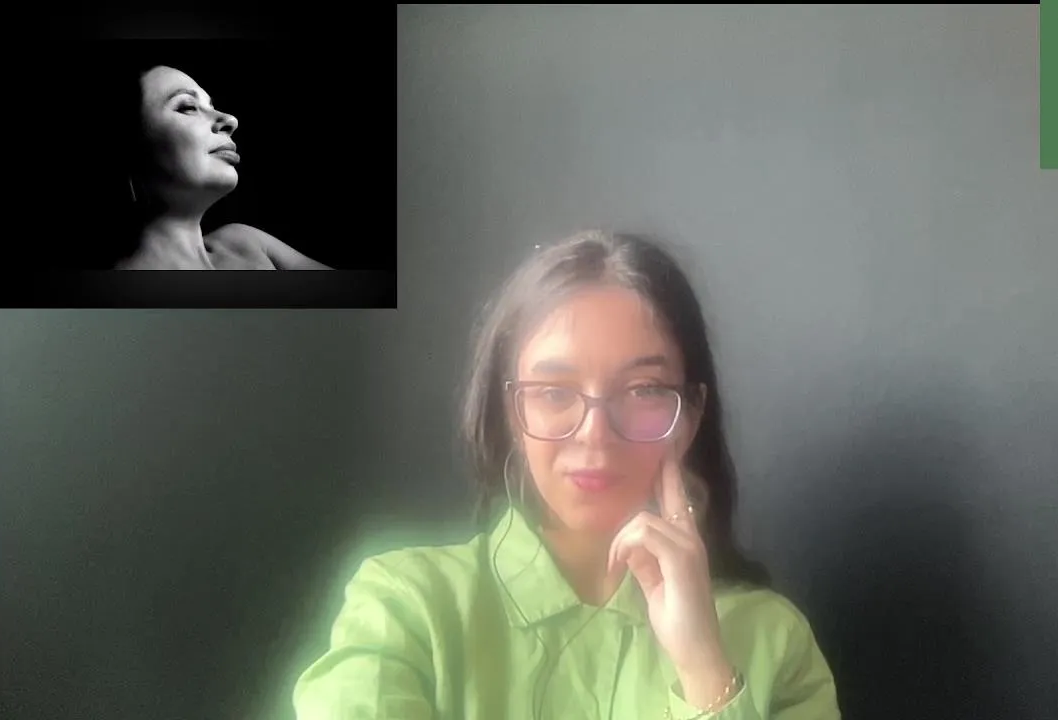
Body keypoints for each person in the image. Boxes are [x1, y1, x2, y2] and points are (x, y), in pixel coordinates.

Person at [293, 230, 840, 719]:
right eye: (554, 392)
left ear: (690, 416)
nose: (595, 434)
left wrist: (705, 669)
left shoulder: (774, 639)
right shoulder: (406, 605)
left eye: (643, 390)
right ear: (512, 414)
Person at [110, 61, 330, 270]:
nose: (230, 119)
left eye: (211, 105)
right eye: (188, 107)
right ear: (129, 147)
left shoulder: (248, 243)